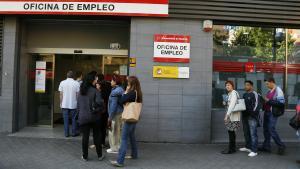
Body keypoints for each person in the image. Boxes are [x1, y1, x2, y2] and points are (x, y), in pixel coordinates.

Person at [111, 76, 142, 167]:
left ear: (131, 83)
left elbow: (121, 100)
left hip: (129, 118)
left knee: (124, 139)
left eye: (128, 82)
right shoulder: (138, 93)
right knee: (132, 136)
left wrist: (126, 91)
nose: (127, 83)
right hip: (134, 118)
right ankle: (134, 154)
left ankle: (120, 161)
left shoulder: (132, 93)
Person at [77, 72, 105, 161]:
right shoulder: (95, 91)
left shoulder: (82, 90)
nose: (96, 80)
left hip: (83, 116)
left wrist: (79, 114)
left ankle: (85, 156)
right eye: (95, 79)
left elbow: (78, 105)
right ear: (91, 80)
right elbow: (100, 102)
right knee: (97, 136)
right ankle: (100, 155)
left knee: (85, 137)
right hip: (94, 116)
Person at [259, 77, 286, 155]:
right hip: (267, 112)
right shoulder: (269, 91)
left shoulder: (278, 90)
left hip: (272, 113)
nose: (267, 85)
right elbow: (268, 101)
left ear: (272, 82)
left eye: (267, 84)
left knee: (271, 129)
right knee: (266, 130)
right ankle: (266, 146)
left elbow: (281, 103)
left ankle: (281, 146)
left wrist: (268, 100)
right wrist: (264, 100)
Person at [239, 81, 260, 157]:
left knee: (253, 134)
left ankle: (254, 150)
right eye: (245, 85)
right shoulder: (244, 94)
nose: (245, 86)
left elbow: (257, 106)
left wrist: (252, 114)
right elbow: (242, 105)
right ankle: (248, 147)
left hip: (252, 117)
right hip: (244, 116)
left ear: (251, 86)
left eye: (247, 85)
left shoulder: (255, 94)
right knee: (246, 132)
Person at [221, 80, 241, 154]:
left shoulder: (233, 93)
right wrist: (225, 103)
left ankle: (231, 149)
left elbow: (232, 105)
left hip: (232, 116)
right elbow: (229, 104)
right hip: (230, 116)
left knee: (231, 132)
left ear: (232, 86)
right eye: (226, 85)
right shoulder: (229, 94)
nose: (227, 86)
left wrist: (227, 115)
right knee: (231, 132)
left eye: (229, 85)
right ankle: (232, 148)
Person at [58, 71, 80, 137]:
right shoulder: (76, 83)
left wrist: (61, 103)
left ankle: (66, 133)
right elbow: (77, 95)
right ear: (73, 76)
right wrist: (77, 103)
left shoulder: (62, 82)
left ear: (67, 76)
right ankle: (73, 133)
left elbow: (61, 94)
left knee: (65, 119)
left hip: (64, 104)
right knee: (74, 119)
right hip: (73, 104)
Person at [107, 74, 124, 154]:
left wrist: (110, 117)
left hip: (115, 114)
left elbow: (113, 106)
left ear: (115, 81)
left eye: (111, 80)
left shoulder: (115, 92)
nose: (110, 82)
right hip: (120, 113)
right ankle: (119, 147)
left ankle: (114, 148)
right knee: (119, 131)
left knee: (113, 131)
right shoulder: (121, 89)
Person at [98, 74, 112, 147]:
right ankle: (102, 142)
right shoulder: (109, 86)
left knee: (99, 127)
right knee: (103, 127)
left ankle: (100, 142)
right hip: (107, 109)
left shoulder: (100, 90)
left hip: (101, 110)